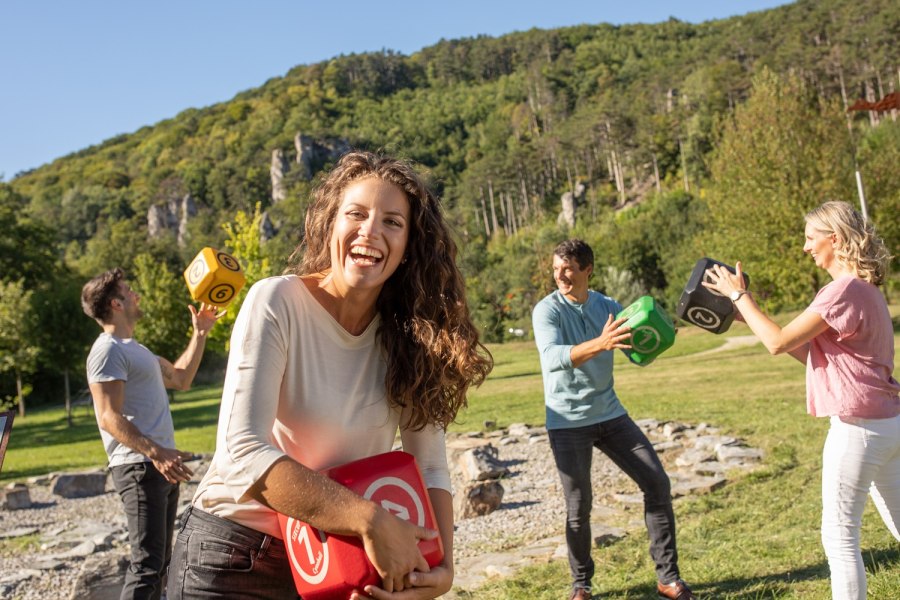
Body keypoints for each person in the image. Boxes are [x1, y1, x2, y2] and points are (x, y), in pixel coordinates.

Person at [167, 151, 492, 600]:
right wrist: (370, 520)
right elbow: (241, 451)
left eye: (392, 222)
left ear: (409, 245)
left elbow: (431, 465)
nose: (371, 231)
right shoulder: (276, 301)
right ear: (329, 224)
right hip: (234, 558)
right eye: (356, 214)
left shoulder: (414, 340)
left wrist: (441, 568)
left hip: (340, 563)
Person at [703, 201, 899, 600]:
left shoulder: (841, 290)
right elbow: (810, 353)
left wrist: (739, 296)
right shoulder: (864, 289)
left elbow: (777, 343)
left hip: (858, 429)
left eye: (811, 238)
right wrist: (746, 313)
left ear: (836, 239)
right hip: (888, 425)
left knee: (839, 535)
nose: (806, 247)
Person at [532, 239, 695, 600]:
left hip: (610, 414)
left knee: (657, 483)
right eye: (556, 267)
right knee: (579, 509)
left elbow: (639, 343)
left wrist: (659, 331)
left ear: (587, 270)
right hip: (567, 421)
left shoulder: (607, 306)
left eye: (568, 268)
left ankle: (668, 578)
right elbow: (552, 357)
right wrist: (601, 343)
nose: (560, 275)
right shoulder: (547, 311)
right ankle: (581, 586)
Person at [81, 268, 222, 600]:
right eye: (129, 291)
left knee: (161, 565)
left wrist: (200, 333)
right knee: (146, 566)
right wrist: (157, 453)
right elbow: (108, 417)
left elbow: (182, 378)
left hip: (158, 465)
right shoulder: (107, 351)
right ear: (116, 303)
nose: (136, 295)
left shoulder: (136, 350)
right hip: (139, 466)